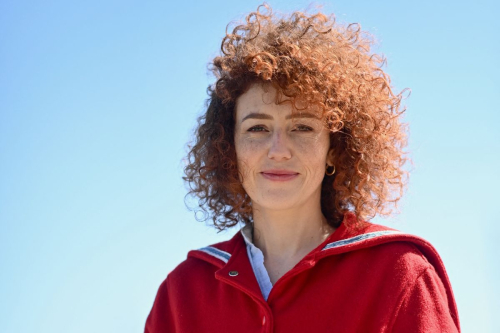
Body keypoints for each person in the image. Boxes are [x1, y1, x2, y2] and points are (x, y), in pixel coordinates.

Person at [145, 4, 460, 332]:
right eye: (257, 129)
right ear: (229, 149)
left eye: (302, 127)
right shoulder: (182, 293)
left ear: (335, 149)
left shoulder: (400, 272)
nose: (279, 150)